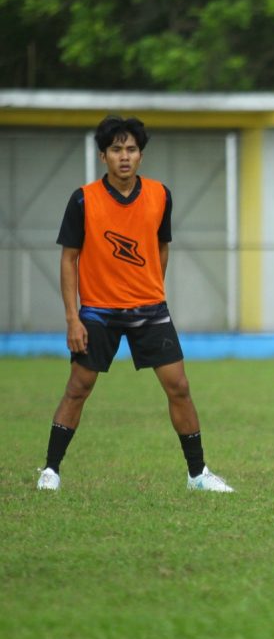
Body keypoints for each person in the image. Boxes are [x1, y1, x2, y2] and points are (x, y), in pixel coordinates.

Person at [36, 116, 234, 492]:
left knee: (179, 387)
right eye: (116, 150)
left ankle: (198, 476)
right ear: (103, 156)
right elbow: (69, 258)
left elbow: (161, 246)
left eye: (130, 149)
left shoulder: (160, 195)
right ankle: (50, 470)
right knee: (78, 387)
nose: (123, 157)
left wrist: (152, 288)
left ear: (141, 155)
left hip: (150, 309)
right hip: (97, 311)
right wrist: (72, 318)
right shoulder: (83, 199)